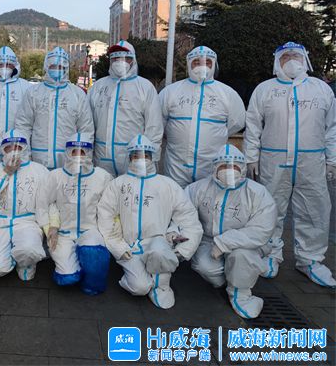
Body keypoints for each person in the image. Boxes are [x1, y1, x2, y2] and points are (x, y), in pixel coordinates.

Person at [244, 41, 336, 287]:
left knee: (315, 209)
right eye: (286, 57)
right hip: (273, 161)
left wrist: (333, 159)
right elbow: (253, 125)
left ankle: (310, 260)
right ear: (277, 61)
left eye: (297, 56)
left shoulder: (321, 89)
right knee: (270, 208)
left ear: (305, 60)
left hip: (311, 161)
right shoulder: (265, 90)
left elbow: (332, 127)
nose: (292, 61)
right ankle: (270, 254)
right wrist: (251, 157)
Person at [97, 135, 202, 309]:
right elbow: (106, 216)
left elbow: (188, 218)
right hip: (129, 247)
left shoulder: (168, 185)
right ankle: (144, 277)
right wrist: (119, 248)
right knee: (139, 287)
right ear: (129, 157)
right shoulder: (118, 184)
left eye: (145, 155)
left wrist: (181, 250)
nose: (141, 159)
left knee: (160, 252)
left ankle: (161, 284)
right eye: (136, 155)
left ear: (152, 157)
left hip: (158, 244)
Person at [186, 144, 276, 318]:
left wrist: (224, 242)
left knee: (241, 256)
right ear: (215, 168)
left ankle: (241, 292)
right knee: (204, 267)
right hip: (209, 241)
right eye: (224, 166)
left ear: (242, 168)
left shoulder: (257, 193)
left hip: (244, 244)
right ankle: (229, 279)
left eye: (234, 167)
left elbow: (261, 229)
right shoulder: (198, 188)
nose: (229, 171)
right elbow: (184, 214)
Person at [159, 46, 245, 188]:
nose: (202, 65)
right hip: (176, 164)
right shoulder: (171, 92)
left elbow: (237, 122)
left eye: (207, 62)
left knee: (207, 198)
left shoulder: (227, 93)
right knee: (175, 197)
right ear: (189, 63)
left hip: (210, 164)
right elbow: (159, 122)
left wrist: (215, 134)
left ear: (214, 64)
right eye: (197, 62)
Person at [37, 134, 113, 295]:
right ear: (67, 152)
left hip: (90, 231)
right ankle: (76, 261)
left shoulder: (102, 177)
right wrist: (50, 227)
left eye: (82, 152)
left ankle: (89, 273)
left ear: (89, 153)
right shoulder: (56, 176)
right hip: (63, 234)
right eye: (74, 151)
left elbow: (109, 208)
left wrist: (108, 235)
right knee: (67, 278)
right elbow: (45, 203)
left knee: (94, 257)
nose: (78, 156)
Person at [0, 129, 48, 280]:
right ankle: (11, 255)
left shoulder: (39, 170)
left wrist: (47, 227)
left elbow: (46, 202)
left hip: (27, 222)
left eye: (18, 147)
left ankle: (25, 263)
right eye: (9, 147)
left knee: (30, 250)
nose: (13, 151)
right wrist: (6, 172)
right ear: (3, 150)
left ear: (25, 148)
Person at [87, 40, 163, 176]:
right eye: (115, 58)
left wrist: (150, 158)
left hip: (133, 156)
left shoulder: (144, 87)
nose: (119, 62)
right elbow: (88, 123)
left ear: (133, 60)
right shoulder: (99, 87)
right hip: (101, 156)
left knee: (130, 188)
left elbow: (154, 126)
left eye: (124, 58)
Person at [15, 46, 94, 170]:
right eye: (53, 66)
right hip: (38, 160)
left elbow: (85, 129)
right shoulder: (33, 93)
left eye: (61, 67)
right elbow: (23, 126)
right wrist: (25, 156)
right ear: (46, 66)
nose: (57, 69)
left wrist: (80, 159)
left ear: (66, 68)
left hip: (68, 162)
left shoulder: (77, 94)